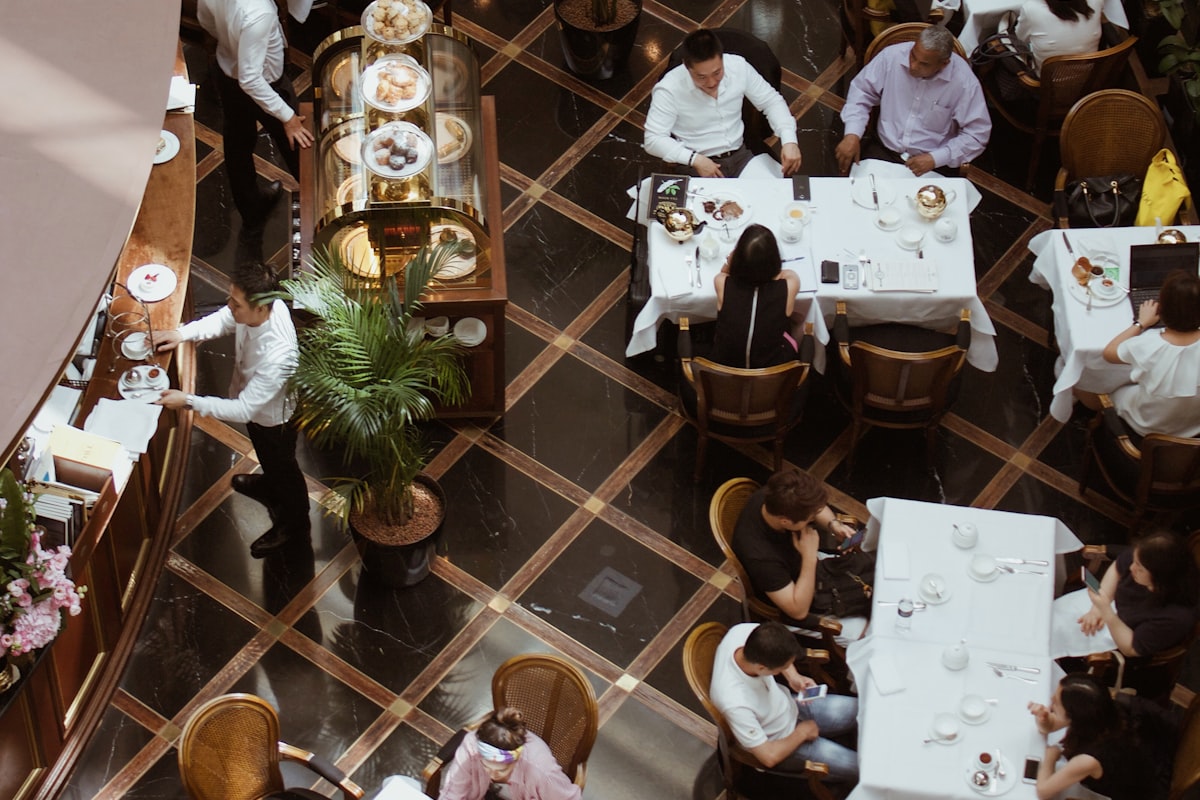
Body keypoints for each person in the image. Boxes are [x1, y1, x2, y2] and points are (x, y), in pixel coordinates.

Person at [155, 263, 310, 558]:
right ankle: (270, 485)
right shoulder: (256, 307)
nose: (229, 306)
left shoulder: (279, 355)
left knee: (284, 467)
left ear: (261, 309)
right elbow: (226, 319)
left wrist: (187, 400)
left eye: (236, 303)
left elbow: (243, 409)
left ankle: (295, 523)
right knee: (270, 460)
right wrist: (181, 334)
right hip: (256, 411)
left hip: (274, 421)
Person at [198, 0, 315, 259]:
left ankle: (251, 210)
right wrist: (289, 118)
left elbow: (205, 19)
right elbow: (251, 80)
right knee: (300, 148)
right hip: (266, 85)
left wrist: (233, 44)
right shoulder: (259, 13)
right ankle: (316, 209)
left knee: (237, 144)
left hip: (226, 71)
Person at [710, 622, 859, 782]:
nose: (787, 668)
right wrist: (802, 733)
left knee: (864, 710)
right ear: (761, 668)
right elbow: (768, 756)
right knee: (860, 767)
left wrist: (793, 676)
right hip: (783, 741)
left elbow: (777, 647)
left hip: (792, 706)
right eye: (783, 667)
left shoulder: (743, 632)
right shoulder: (735, 702)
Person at [644, 28, 802, 178]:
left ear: (722, 58)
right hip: (698, 164)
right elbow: (653, 139)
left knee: (775, 197)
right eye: (702, 77)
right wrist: (695, 160)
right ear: (687, 67)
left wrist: (789, 140)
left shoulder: (738, 66)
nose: (712, 82)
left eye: (717, 72)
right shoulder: (668, 89)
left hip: (742, 156)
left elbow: (771, 101)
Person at [836, 25, 990, 177]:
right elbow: (861, 91)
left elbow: (977, 134)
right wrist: (852, 134)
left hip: (932, 163)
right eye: (913, 56)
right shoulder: (891, 56)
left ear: (944, 64)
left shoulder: (964, 82)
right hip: (884, 150)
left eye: (924, 64)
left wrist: (936, 158)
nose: (913, 66)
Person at [1075, 270, 1200, 437]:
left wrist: (1141, 323)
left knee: (1092, 379)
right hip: (1193, 425)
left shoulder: (1149, 343)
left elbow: (1109, 353)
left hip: (1147, 424)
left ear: (1161, 308)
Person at [731, 469, 858, 623]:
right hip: (791, 599)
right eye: (810, 518)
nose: (813, 519)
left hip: (806, 567)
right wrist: (809, 557)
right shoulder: (760, 558)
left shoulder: (777, 495)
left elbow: (815, 507)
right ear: (785, 521)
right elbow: (798, 611)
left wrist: (834, 525)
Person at [1078, 531, 1198, 659]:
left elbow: (1131, 648)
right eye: (1134, 561)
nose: (1131, 568)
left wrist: (1106, 612)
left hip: (1123, 634)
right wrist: (1097, 608)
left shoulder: (1175, 618)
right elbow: (1117, 567)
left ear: (1159, 577)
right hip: (1110, 604)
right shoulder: (1143, 555)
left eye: (1140, 568)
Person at [1026, 673, 1146, 800]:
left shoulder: (1090, 758)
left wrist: (1050, 756)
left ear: (1074, 714)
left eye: (1056, 702)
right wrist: (1043, 719)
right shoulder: (1100, 713)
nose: (1051, 701)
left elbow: (1044, 791)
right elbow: (1051, 726)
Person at [438, 707, 581, 800]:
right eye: (486, 766)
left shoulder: (540, 771)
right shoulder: (471, 746)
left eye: (502, 769)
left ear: (516, 759)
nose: (492, 774)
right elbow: (452, 794)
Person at [712, 224, 801, 368]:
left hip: (726, 368)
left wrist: (730, 261)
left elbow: (723, 273)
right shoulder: (789, 286)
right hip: (772, 371)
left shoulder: (722, 283)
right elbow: (790, 274)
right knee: (799, 319)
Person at [1013, 0, 1103, 73]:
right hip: (1090, 76)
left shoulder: (1031, 9)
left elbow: (1020, 38)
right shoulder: (1096, 2)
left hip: (1050, 83)